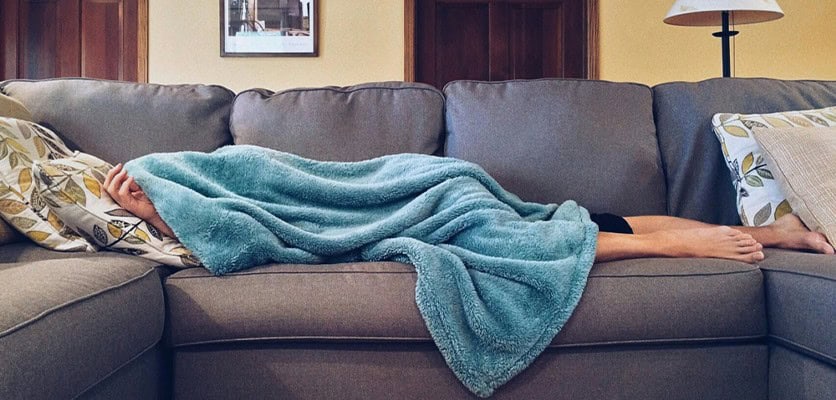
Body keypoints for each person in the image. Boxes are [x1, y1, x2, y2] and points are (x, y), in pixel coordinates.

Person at [103, 163, 836, 264]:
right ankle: (774, 232)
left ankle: (678, 245)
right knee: (580, 221)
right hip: (442, 190)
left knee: (516, 239)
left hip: (435, 190)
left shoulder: (208, 169)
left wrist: (164, 207)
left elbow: (292, 192)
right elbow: (252, 231)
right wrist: (163, 215)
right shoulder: (187, 194)